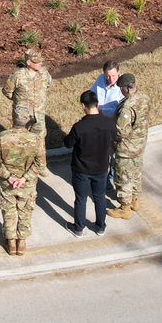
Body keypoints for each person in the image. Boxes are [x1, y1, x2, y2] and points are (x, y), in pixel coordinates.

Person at [64, 90, 117, 235]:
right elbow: (115, 139)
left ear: (83, 106)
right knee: (99, 197)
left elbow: (68, 143)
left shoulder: (79, 127)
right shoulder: (109, 123)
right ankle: (100, 227)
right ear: (97, 104)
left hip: (81, 170)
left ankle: (79, 228)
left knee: (81, 199)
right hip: (101, 169)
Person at [0, 117, 42, 256]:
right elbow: (40, 164)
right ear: (29, 122)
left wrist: (9, 177)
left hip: (8, 184)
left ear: (13, 119)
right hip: (27, 185)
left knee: (9, 212)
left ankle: (11, 243)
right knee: (25, 211)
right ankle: (22, 243)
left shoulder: (1, 137)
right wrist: (24, 178)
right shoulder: (36, 139)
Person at [107, 74, 152, 220]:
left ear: (127, 89)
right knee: (136, 173)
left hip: (126, 149)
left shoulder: (127, 107)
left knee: (123, 178)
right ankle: (135, 200)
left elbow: (121, 131)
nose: (120, 91)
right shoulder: (144, 98)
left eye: (121, 89)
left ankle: (125, 208)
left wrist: (113, 141)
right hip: (140, 144)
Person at [2, 49, 53, 174]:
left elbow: (48, 85)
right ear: (29, 62)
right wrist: (20, 102)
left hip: (39, 114)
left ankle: (41, 166)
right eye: (37, 62)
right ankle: (19, 166)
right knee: (20, 140)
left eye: (41, 61)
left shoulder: (44, 73)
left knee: (40, 140)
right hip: (22, 116)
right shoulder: (18, 76)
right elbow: (7, 91)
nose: (40, 63)